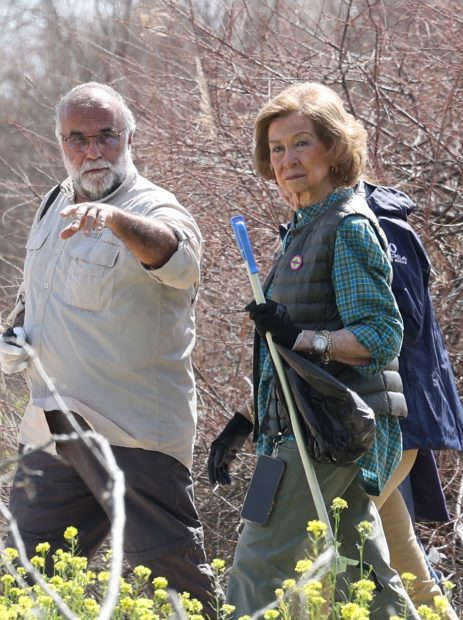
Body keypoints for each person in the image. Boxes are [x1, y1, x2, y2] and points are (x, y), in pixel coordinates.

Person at [208, 81, 420, 619]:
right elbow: (283, 360)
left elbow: (380, 335)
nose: (286, 159)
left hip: (328, 431)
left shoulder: (345, 225)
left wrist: (302, 337)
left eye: (301, 143)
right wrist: (248, 422)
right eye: (277, 149)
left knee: (258, 566)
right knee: (362, 577)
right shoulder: (303, 228)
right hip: (310, 429)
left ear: (334, 147)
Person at [0, 82, 214, 610]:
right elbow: (37, 296)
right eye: (78, 139)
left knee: (174, 582)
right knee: (20, 577)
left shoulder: (153, 206)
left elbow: (181, 264)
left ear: (129, 138)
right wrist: (17, 334)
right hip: (52, 426)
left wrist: (118, 223)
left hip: (131, 433)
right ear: (61, 143)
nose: (93, 151)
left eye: (106, 136)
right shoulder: (55, 202)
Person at [359, 179, 463, 614]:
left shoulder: (379, 224)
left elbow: (404, 324)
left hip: (401, 416)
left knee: (330, 540)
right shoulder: (325, 219)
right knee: (402, 552)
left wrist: (321, 337)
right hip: (376, 414)